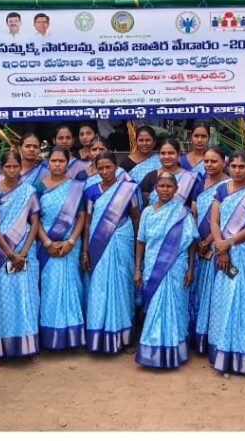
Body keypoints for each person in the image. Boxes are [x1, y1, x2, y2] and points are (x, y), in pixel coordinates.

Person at [207, 150, 245, 376]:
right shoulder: (221, 190)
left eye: (242, 166)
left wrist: (229, 243)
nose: (237, 170)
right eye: (234, 166)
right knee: (224, 297)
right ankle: (222, 351)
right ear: (228, 167)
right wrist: (221, 247)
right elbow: (215, 220)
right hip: (223, 251)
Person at [0, 150, 42, 371]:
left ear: (20, 168)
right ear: (1, 169)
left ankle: (27, 347)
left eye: (15, 167)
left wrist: (24, 251)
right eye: (7, 167)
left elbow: (35, 222)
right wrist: (9, 253)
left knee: (25, 297)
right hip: (1, 251)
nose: (11, 171)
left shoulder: (29, 191)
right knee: (0, 300)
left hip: (25, 249)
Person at [134, 173, 198, 369]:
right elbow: (141, 241)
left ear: (176, 188)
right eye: (161, 186)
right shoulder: (147, 213)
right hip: (153, 266)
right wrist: (137, 268)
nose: (165, 190)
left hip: (176, 266)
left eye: (169, 186)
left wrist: (190, 268)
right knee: (154, 308)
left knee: (174, 308)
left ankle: (174, 351)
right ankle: (152, 351)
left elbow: (191, 241)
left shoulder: (183, 212)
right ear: (155, 188)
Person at [81, 152, 140, 354]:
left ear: (116, 167)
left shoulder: (128, 190)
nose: (105, 172)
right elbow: (87, 222)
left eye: (108, 167)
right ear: (96, 169)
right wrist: (85, 251)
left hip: (123, 243)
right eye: (100, 168)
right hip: (97, 246)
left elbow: (135, 218)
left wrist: (139, 247)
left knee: (122, 288)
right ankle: (99, 337)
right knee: (99, 289)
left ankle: (125, 338)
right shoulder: (90, 192)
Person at [34, 147, 87, 350]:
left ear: (67, 163)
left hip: (70, 245)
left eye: (61, 161)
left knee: (72, 286)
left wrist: (71, 241)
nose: (57, 165)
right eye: (54, 161)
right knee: (50, 288)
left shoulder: (76, 187)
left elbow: (81, 217)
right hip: (46, 246)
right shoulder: (38, 188)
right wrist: (47, 242)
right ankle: (51, 337)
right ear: (48, 163)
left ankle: (73, 337)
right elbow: (34, 219)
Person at [191, 147, 229, 354]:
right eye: (206, 161)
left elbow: (226, 219)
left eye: (214, 161)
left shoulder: (229, 187)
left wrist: (207, 241)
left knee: (213, 292)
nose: (209, 165)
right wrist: (196, 239)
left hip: (216, 246)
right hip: (197, 246)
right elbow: (195, 213)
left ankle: (212, 338)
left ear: (224, 162)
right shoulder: (199, 183)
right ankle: (198, 336)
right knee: (198, 290)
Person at [141, 139, 201, 209]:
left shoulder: (190, 178)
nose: (166, 157)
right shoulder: (150, 177)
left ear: (178, 154)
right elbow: (145, 206)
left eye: (171, 153)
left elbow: (194, 207)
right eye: (163, 153)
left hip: (181, 219)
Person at [119, 125, 161, 204]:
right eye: (141, 140)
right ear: (136, 142)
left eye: (148, 140)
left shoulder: (160, 161)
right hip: (133, 205)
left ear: (154, 142)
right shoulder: (126, 163)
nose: (144, 143)